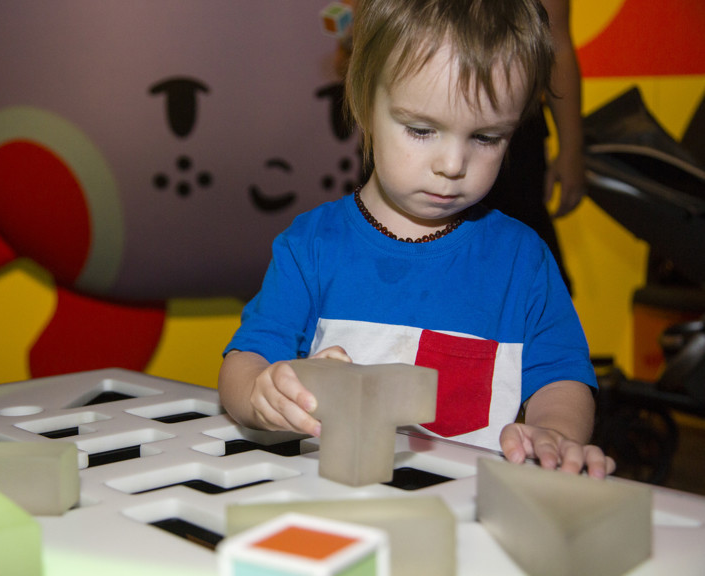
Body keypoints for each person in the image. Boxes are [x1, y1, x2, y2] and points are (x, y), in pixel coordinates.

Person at [218, 0, 613, 478]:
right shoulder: (311, 246)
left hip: (467, 515)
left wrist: (555, 434)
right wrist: (260, 393)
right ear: (364, 105)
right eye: (422, 130)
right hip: (328, 500)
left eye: (487, 137)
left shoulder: (522, 260)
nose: (452, 164)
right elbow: (246, 362)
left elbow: (562, 376)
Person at [482, 0, 584, 293]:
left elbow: (557, 46)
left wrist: (571, 149)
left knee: (525, 273)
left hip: (515, 136)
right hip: (417, 117)